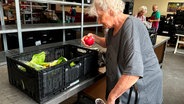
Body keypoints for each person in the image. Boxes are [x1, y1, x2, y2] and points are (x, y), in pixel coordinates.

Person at [81, 0, 163, 104]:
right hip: (128, 81)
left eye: (100, 16)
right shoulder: (112, 28)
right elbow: (109, 42)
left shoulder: (131, 26)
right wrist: (94, 37)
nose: (98, 21)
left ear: (111, 11)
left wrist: (112, 97)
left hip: (143, 86)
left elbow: (134, 72)